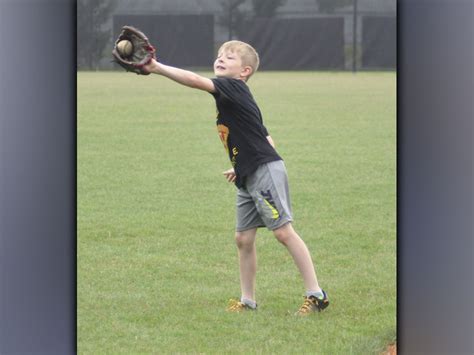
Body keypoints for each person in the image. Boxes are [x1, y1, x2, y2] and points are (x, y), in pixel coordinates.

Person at [143, 40, 329, 315]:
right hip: (248, 172)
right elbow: (266, 137)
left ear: (244, 71)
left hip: (264, 170)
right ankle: (248, 301)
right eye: (219, 55)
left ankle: (317, 295)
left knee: (283, 232)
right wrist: (240, 164)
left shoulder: (232, 87)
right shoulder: (236, 95)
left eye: (229, 58)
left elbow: (195, 81)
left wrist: (156, 67)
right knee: (243, 239)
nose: (220, 59)